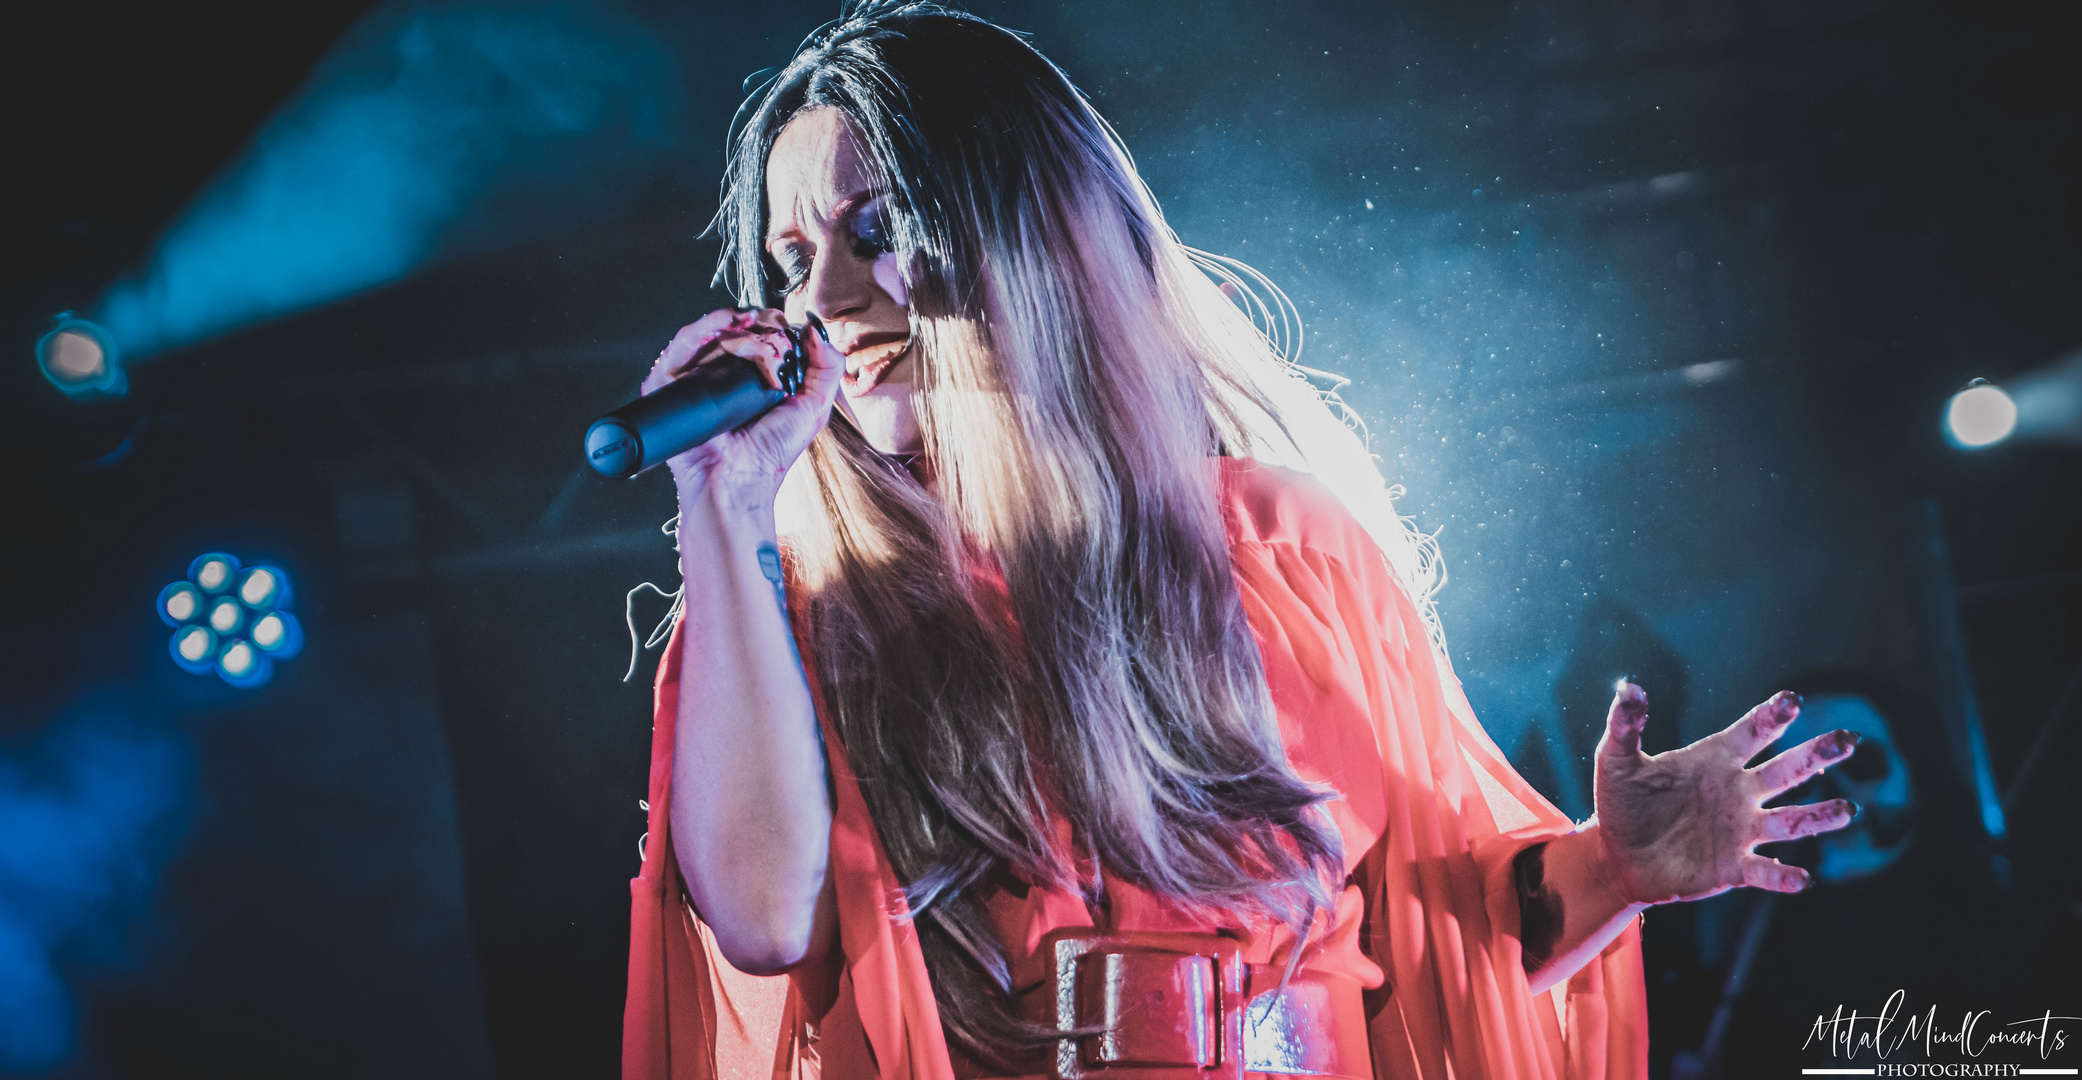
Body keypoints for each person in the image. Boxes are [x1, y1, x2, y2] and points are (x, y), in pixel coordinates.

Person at [622, 5, 1860, 1078]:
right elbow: (765, 920)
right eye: (793, 260)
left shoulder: (1282, 547)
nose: (826, 299)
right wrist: (725, 508)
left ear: (1025, 227)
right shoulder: (789, 615)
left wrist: (1617, 866)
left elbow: (1446, 922)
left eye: (875, 229)